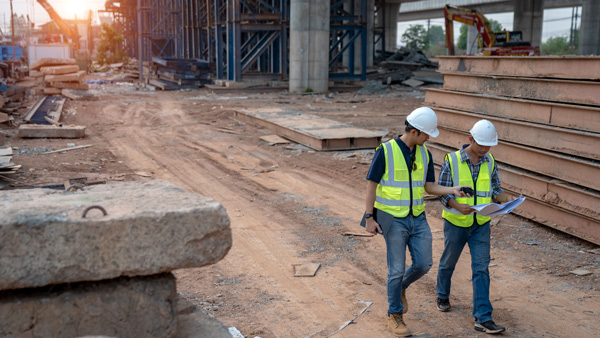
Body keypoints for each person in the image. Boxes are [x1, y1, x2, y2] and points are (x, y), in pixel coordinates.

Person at [364, 107, 468, 336]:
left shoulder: (424, 153)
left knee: (424, 264)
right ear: (414, 131)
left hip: (417, 218)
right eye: (426, 134)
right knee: (396, 269)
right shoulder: (386, 151)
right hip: (392, 219)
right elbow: (371, 184)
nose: (429, 138)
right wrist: (369, 218)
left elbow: (429, 186)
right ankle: (395, 315)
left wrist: (453, 189)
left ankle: (400, 288)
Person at [435, 119, 514, 335]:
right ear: (470, 139)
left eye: (489, 146)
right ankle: (442, 293)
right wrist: (456, 205)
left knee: (481, 268)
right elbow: (443, 191)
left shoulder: (489, 161)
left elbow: (495, 188)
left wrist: (505, 198)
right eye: (481, 145)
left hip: (481, 224)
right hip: (456, 223)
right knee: (448, 262)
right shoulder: (451, 160)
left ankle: (483, 318)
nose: (485, 150)